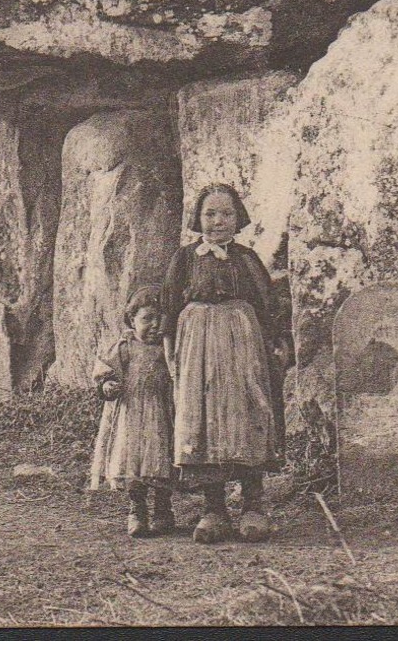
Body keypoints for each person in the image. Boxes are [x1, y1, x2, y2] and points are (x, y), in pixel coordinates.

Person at [160, 183, 288, 544]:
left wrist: (276, 345)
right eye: (210, 214)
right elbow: (169, 308)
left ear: (239, 217)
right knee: (204, 419)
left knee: (246, 416)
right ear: (198, 218)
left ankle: (253, 506)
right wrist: (171, 352)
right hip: (197, 347)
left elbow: (267, 307)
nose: (218, 221)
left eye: (227, 213)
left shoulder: (246, 259)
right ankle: (213, 509)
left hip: (243, 346)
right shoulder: (184, 259)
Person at [90, 287, 177, 538]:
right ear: (132, 320)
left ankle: (163, 509)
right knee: (132, 460)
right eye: (146, 318)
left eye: (159, 319)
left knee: (160, 459)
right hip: (132, 413)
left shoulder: (167, 347)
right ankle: (137, 509)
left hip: (160, 411)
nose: (154, 325)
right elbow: (105, 371)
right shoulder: (124, 347)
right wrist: (107, 386)